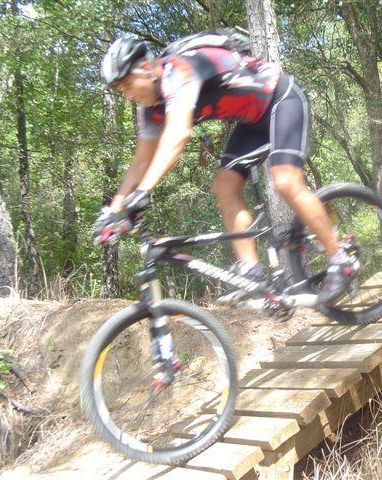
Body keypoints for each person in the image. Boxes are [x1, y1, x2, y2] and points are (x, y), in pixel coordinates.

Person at [93, 35, 356, 305]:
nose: (127, 97)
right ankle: (252, 273)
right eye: (121, 91)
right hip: (251, 121)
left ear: (146, 69)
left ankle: (340, 260)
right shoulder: (150, 110)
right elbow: (140, 161)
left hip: (282, 98)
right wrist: (113, 211)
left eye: (127, 85)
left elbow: (178, 134)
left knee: (285, 181)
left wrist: (144, 190)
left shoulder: (178, 70)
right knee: (223, 185)